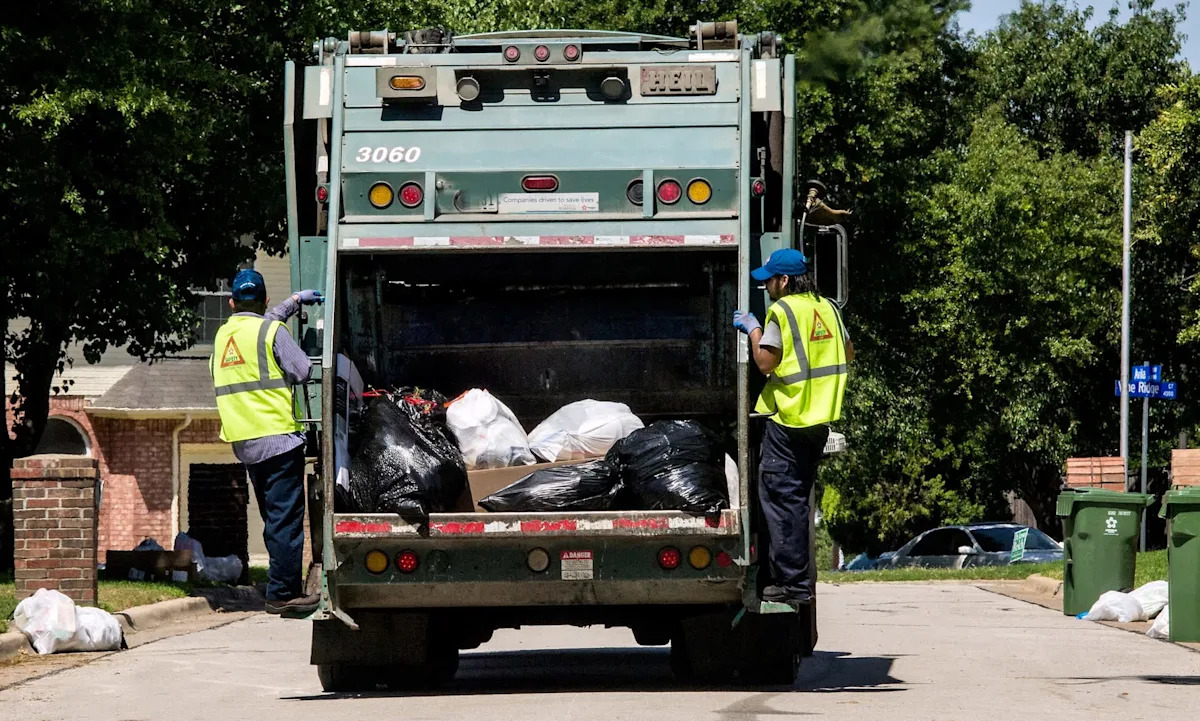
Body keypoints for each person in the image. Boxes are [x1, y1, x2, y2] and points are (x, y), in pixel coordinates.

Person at [733, 248, 852, 605]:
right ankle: (798, 582)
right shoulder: (829, 308)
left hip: (788, 421)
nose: (767, 286)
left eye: (769, 280)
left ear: (784, 281)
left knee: (781, 501)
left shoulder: (781, 311)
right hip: (818, 421)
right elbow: (847, 353)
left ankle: (793, 586)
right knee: (797, 501)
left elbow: (766, 362)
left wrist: (754, 330)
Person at [209, 268, 324, 617]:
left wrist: (292, 303)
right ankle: (282, 594)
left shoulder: (223, 336)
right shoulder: (272, 331)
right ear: (265, 300)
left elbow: (257, 326)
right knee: (285, 522)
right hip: (278, 440)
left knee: (274, 519)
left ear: (231, 303)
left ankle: (279, 587)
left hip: (246, 443)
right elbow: (302, 370)